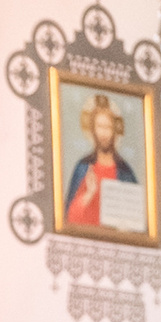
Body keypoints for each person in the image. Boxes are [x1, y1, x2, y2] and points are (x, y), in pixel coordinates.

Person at [65, 95, 139, 230]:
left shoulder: (125, 171)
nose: (104, 133)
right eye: (100, 126)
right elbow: (69, 218)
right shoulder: (83, 167)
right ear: (93, 129)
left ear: (114, 131)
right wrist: (89, 194)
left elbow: (135, 220)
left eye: (108, 127)